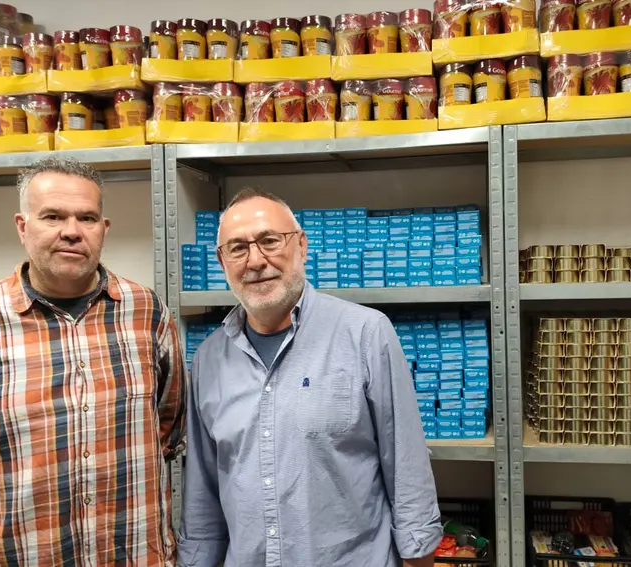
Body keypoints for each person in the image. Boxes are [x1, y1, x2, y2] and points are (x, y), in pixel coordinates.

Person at [0, 156, 186, 566]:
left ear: (104, 229)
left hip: (133, 555)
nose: (71, 231)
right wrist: (6, 512)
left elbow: (168, 426)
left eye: (87, 218)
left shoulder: (148, 313)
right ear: (22, 226)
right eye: (52, 216)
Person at [178, 188, 442, 567]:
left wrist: (419, 556)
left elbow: (406, 464)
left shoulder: (365, 333)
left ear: (301, 245)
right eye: (237, 248)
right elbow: (202, 488)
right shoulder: (208, 359)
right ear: (222, 262)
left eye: (269, 241)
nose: (255, 261)